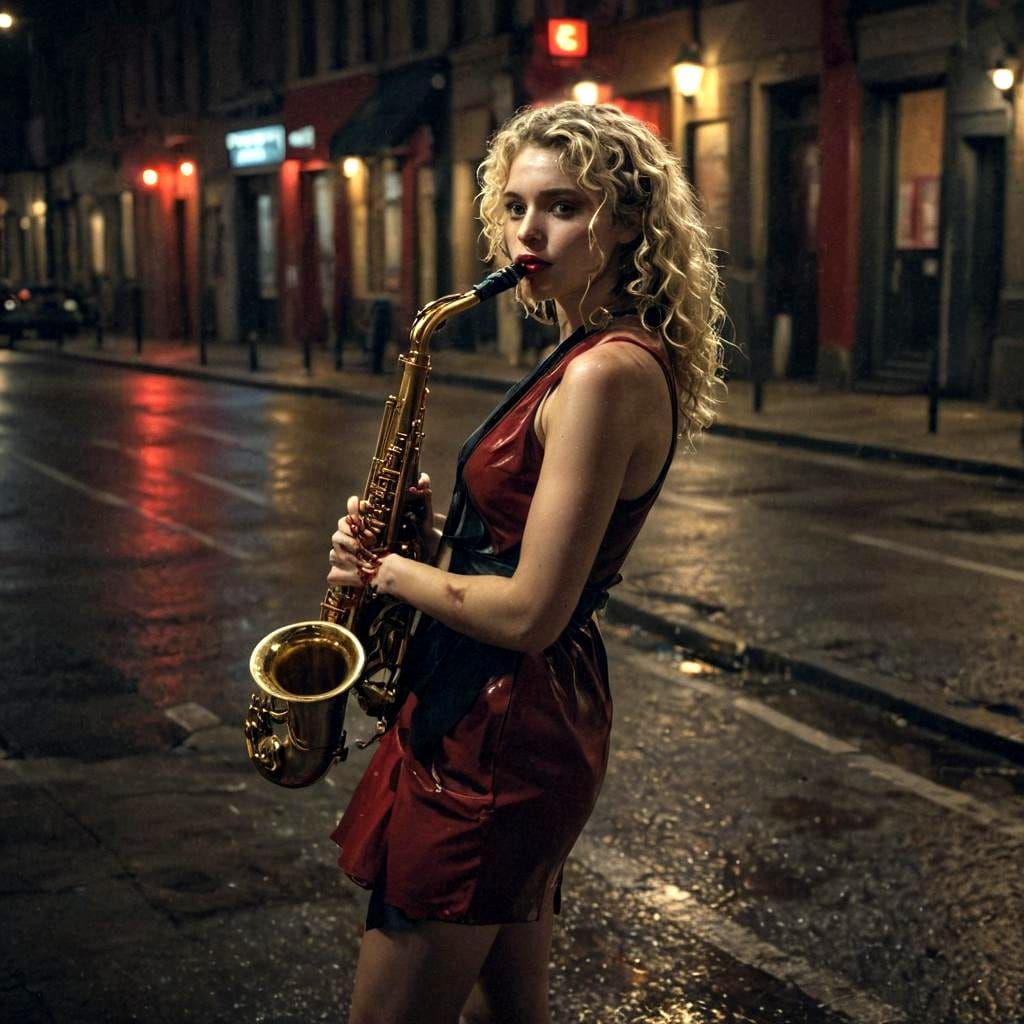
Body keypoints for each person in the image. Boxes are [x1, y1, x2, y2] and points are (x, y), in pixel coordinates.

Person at [326, 101, 725, 1024]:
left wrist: (387, 570)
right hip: (504, 706)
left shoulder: (601, 373)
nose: (527, 232)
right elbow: (522, 560)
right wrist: (431, 545)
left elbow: (530, 612)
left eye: (564, 207)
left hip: (501, 726)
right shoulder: (582, 351)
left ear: (626, 223)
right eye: (513, 206)